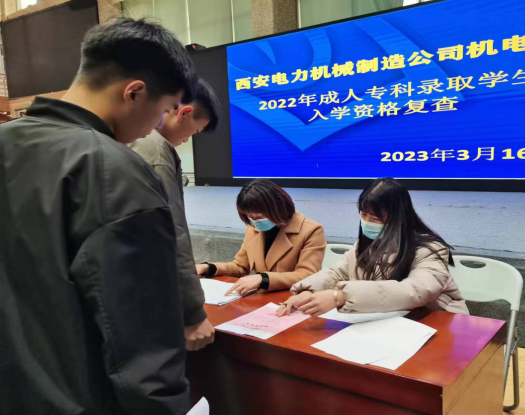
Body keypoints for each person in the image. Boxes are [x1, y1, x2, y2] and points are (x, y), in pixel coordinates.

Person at [0, 19, 198, 415]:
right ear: (133, 93)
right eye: (162, 112)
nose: (154, 128)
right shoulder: (112, 169)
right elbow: (143, 339)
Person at [278, 178, 468, 317]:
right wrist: (307, 292)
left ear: (399, 217)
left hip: (438, 322)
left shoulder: (430, 249)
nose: (367, 222)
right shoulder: (366, 244)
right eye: (363, 214)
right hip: (388, 321)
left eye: (376, 218)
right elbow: (336, 273)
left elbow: (415, 290)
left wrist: (340, 296)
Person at [130, 77, 220, 352]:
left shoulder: (129, 140)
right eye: (195, 131)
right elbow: (171, 231)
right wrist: (193, 312)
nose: (187, 140)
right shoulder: (156, 150)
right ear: (184, 112)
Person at [196, 179, 327, 295]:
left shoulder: (311, 230)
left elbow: (307, 275)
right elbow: (240, 267)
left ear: (278, 208)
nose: (255, 222)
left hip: (293, 297)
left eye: (259, 216)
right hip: (263, 297)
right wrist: (209, 267)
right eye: (250, 217)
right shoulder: (253, 228)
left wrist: (263, 279)